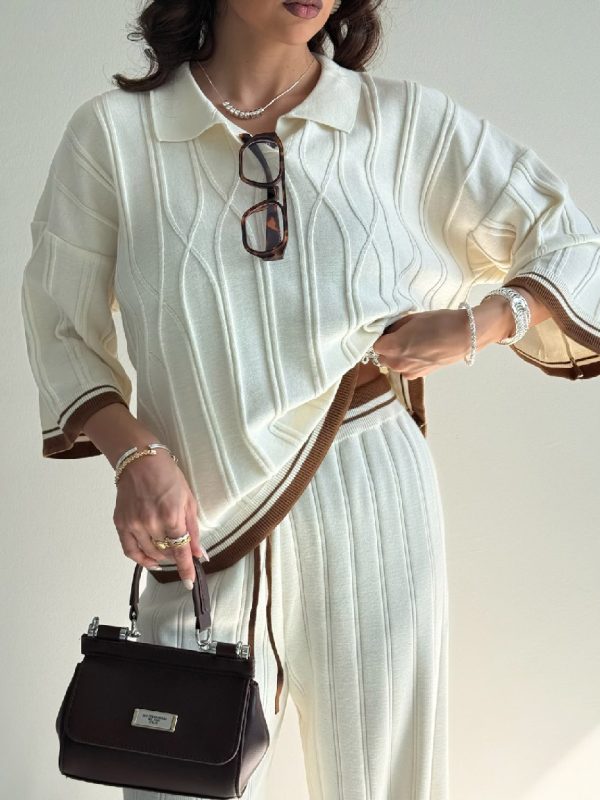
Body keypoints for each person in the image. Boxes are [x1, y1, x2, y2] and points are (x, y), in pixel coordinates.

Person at [20, 1, 600, 798]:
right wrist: (135, 455)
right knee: (169, 779)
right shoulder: (115, 136)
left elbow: (572, 243)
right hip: (197, 526)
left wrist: (482, 323)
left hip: (372, 497)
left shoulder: (398, 123)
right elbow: (60, 324)